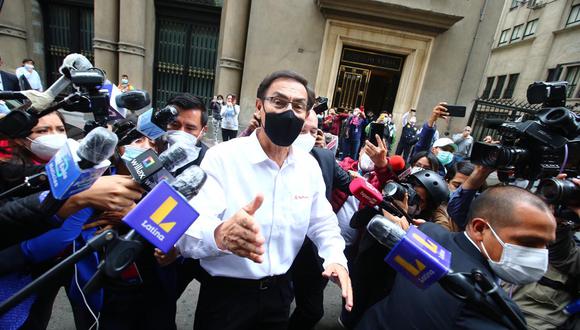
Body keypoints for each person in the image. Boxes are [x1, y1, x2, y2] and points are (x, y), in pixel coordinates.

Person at [176, 70, 352, 330]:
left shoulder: (308, 167)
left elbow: (322, 222)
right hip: (226, 299)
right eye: (279, 103)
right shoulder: (223, 158)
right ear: (260, 106)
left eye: (298, 106)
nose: (289, 113)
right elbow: (187, 230)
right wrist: (220, 235)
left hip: (279, 296)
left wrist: (336, 258)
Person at [358, 185, 557, 329]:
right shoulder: (488, 307)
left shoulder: (428, 232)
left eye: (546, 244)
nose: (539, 253)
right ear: (480, 228)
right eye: (529, 242)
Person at [289, 108, 352, 330]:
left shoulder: (323, 158)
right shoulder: (266, 155)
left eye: (313, 130)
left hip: (311, 251)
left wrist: (382, 170)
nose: (306, 135)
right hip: (279, 252)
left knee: (312, 310)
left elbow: (349, 186)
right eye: (301, 129)